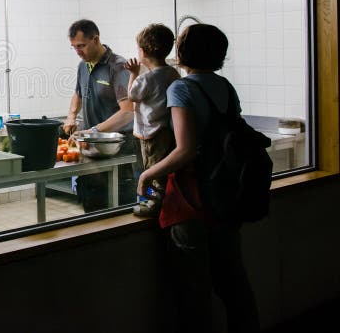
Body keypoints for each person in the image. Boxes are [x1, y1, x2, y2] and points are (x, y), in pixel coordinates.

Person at [137, 24, 260, 332]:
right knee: (233, 281)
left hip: (193, 198)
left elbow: (186, 150)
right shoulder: (225, 86)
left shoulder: (181, 88)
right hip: (227, 194)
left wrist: (148, 173)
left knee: (194, 287)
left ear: (183, 52)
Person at [63, 19, 136, 212]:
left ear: (95, 39)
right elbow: (78, 94)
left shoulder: (118, 67)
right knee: (92, 207)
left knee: (117, 210)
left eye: (81, 46)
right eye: (74, 47)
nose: (78, 52)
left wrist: (93, 131)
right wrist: (71, 116)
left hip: (117, 150)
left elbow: (128, 112)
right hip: (91, 151)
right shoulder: (83, 66)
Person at [125, 23, 180, 217]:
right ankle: (162, 201)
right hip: (167, 130)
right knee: (163, 170)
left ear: (142, 51)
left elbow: (131, 96)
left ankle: (155, 204)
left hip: (150, 134)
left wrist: (133, 73)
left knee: (152, 170)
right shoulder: (173, 73)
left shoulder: (145, 79)